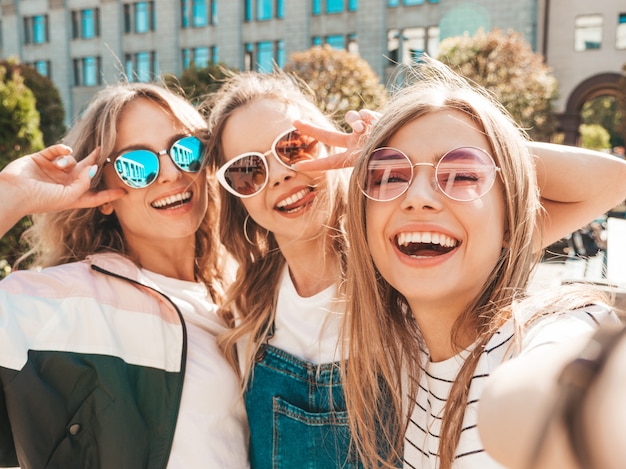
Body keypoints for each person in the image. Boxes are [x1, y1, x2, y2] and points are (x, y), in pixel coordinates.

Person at [334, 58, 624, 469]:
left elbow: (559, 391)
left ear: (511, 223)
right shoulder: (400, 349)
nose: (418, 196)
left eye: (463, 175)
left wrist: (549, 410)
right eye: (389, 174)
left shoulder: (551, 333)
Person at [0, 82, 249, 468]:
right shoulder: (66, 302)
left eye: (185, 151)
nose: (170, 174)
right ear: (102, 193)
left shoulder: (246, 291)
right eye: (139, 166)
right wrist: (10, 197)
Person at [204, 71, 380, 468]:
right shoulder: (249, 310)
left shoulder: (397, 266)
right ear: (237, 199)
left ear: (330, 143)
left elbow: (543, 199)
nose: (281, 175)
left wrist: (399, 149)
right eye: (247, 170)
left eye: (294, 147)